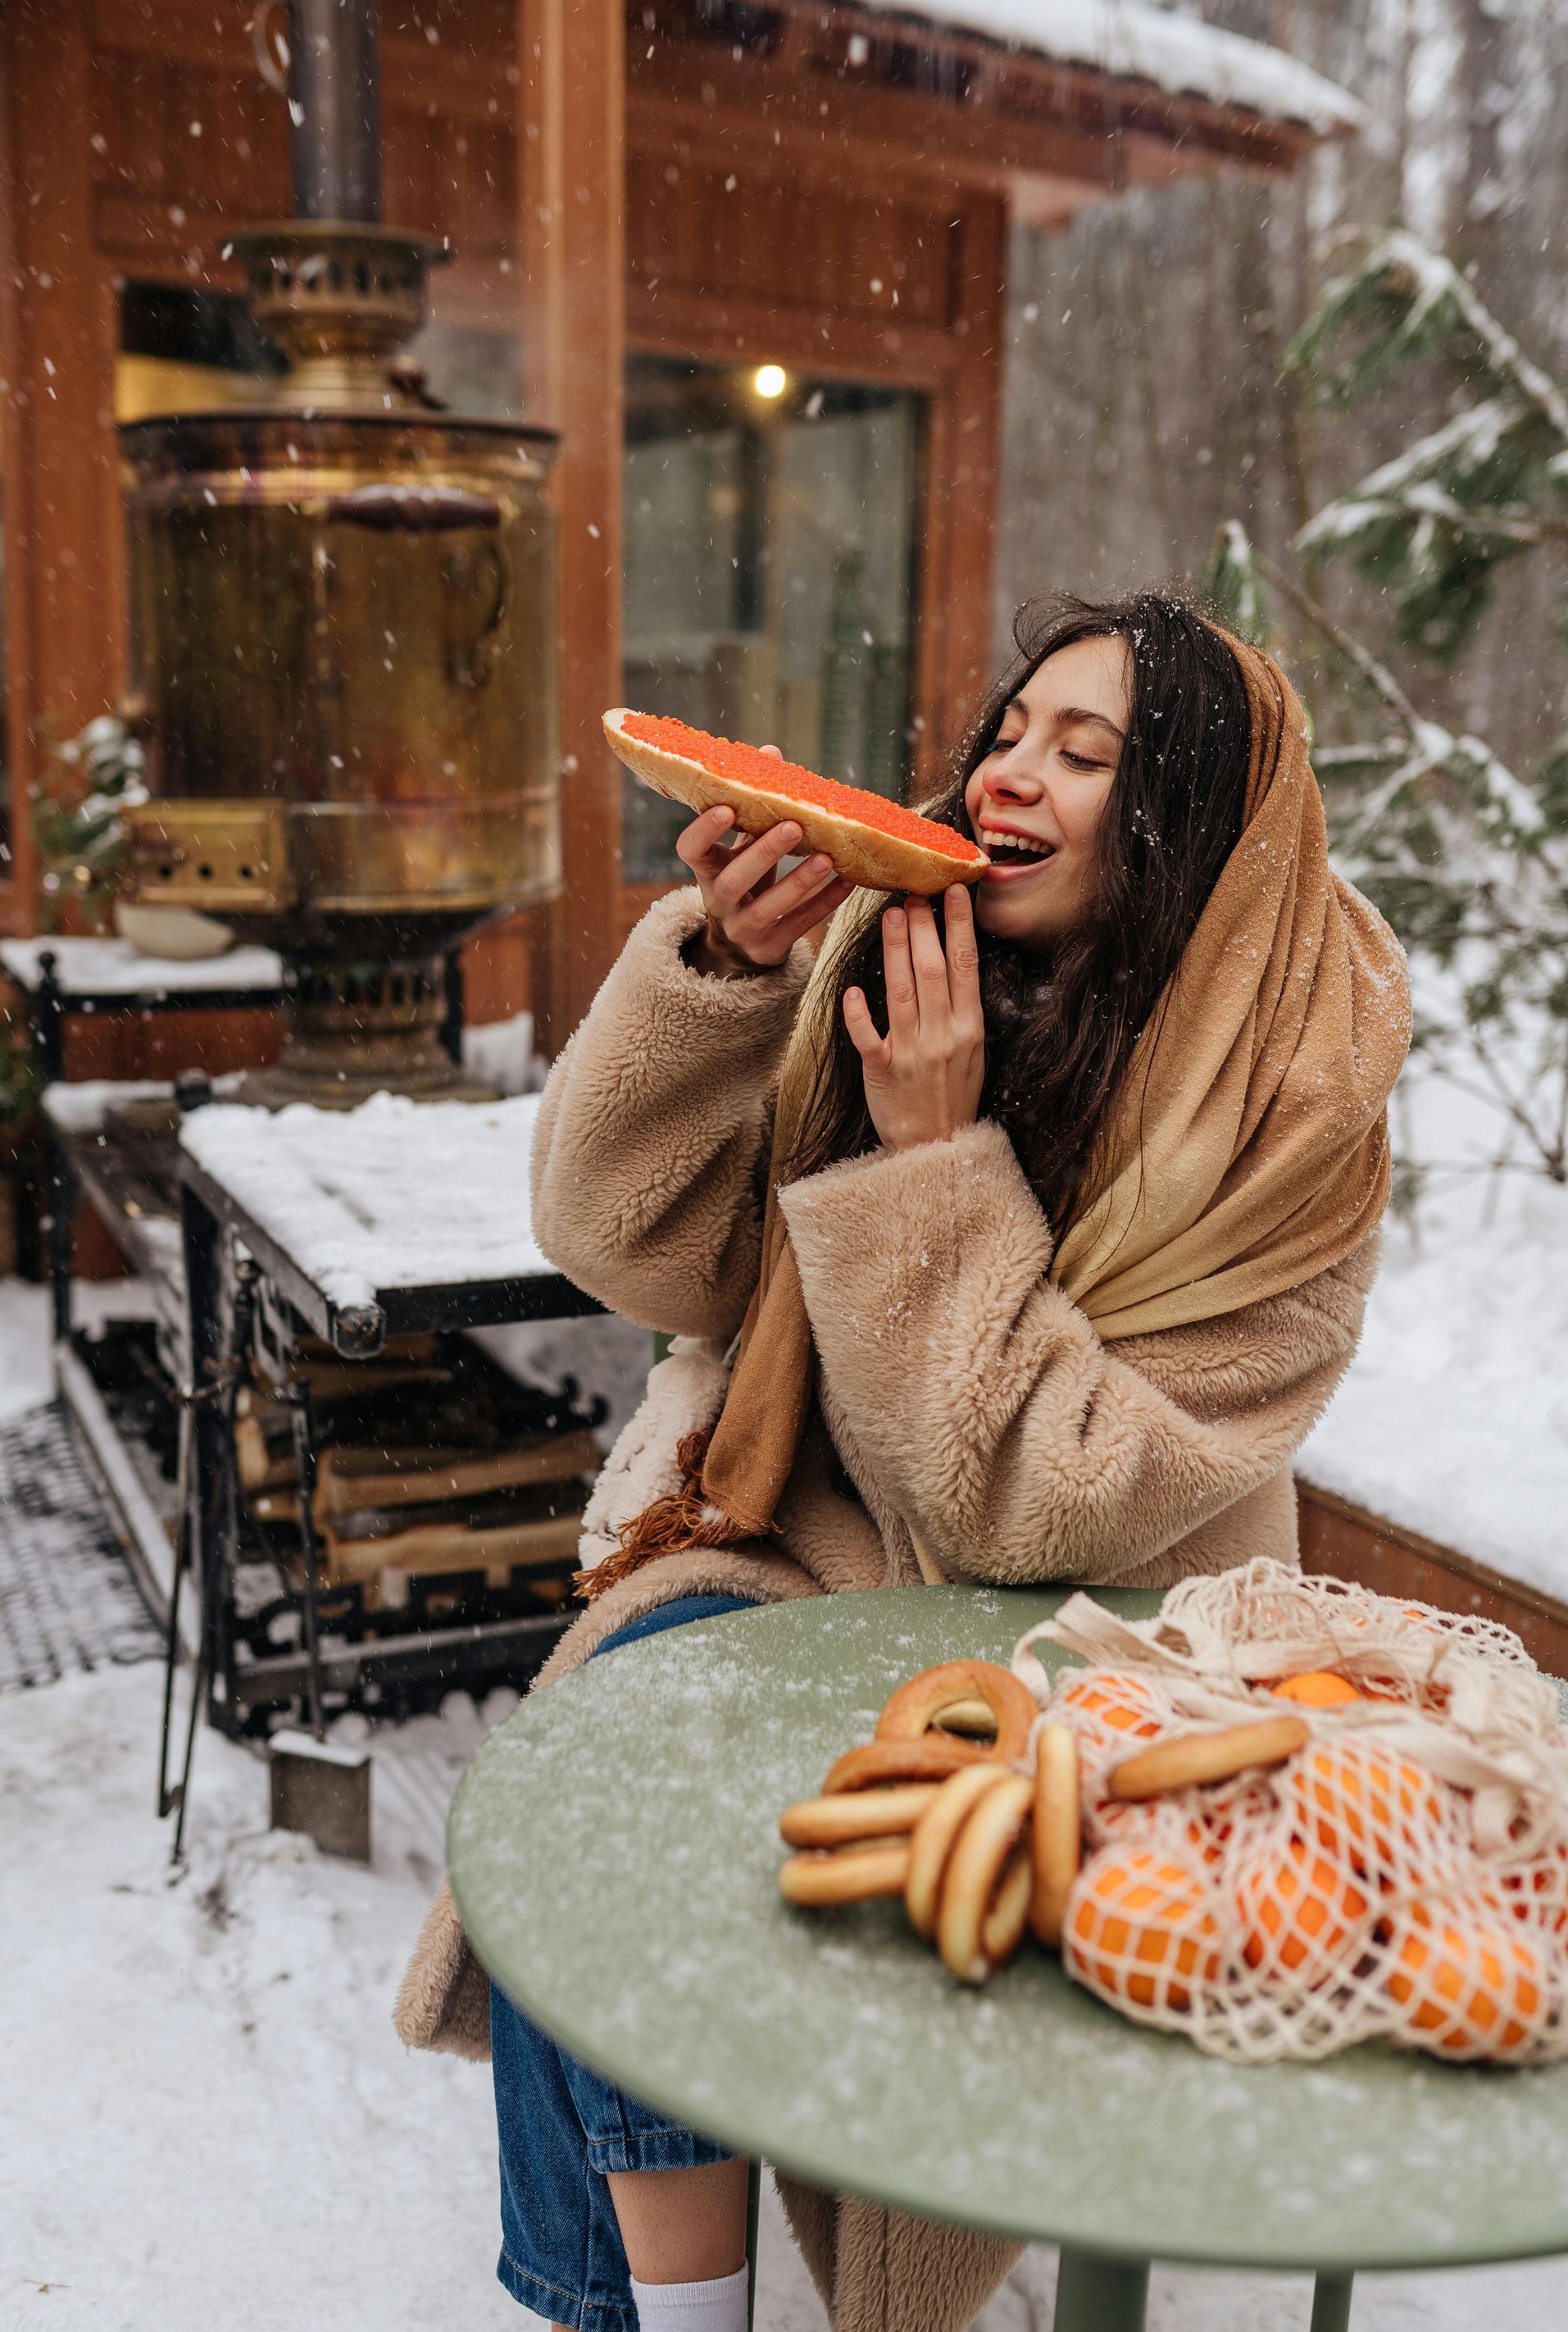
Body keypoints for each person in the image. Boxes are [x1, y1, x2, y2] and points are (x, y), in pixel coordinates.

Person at [396, 592, 1411, 2332]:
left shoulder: (1290, 1129)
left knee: (699, 1843)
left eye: (1084, 754)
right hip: (805, 1559)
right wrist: (723, 980)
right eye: (1010, 731)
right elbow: (635, 1242)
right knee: (595, 1801)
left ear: (1187, 827)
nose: (1013, 773)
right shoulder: (909, 960)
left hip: (1099, 1650)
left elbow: (1039, 1505)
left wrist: (936, 1166)